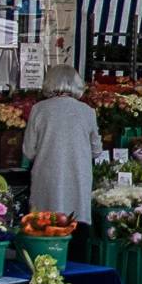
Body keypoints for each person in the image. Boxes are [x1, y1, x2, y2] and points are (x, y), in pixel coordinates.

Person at [22, 64, 98, 220]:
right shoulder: (87, 111)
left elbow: (29, 150)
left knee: (45, 223)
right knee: (77, 221)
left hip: (46, 176)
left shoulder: (39, 109)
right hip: (79, 175)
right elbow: (96, 150)